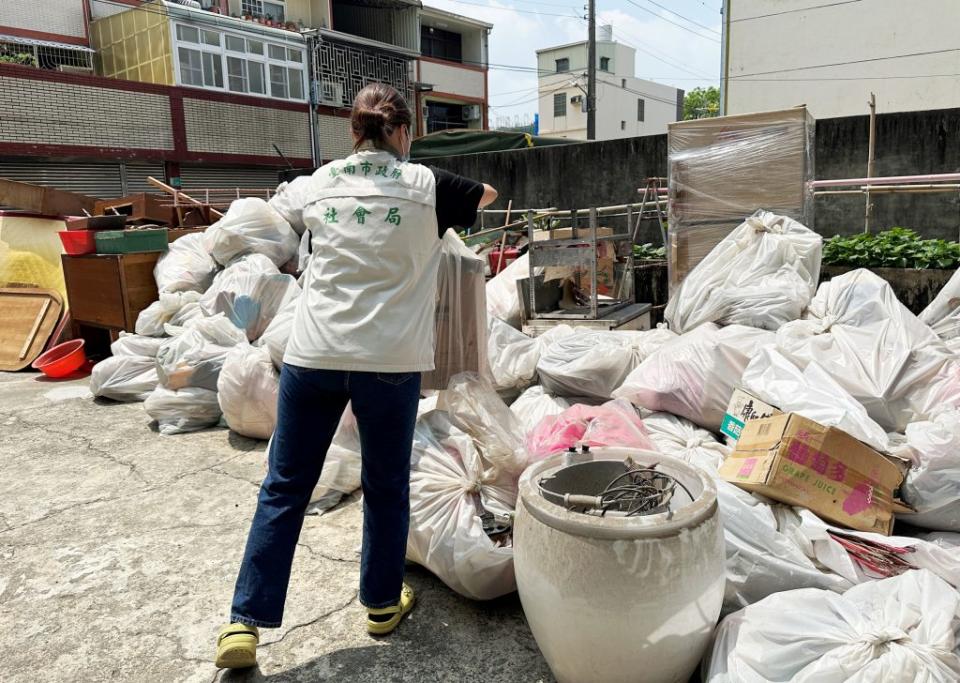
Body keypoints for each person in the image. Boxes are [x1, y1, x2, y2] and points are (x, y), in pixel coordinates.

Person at [214, 83, 497, 669]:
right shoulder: (427, 186)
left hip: (311, 356)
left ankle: (243, 623)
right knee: (386, 485)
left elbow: (280, 217)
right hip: (387, 364)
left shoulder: (320, 182)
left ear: (354, 132)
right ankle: (380, 604)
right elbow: (488, 195)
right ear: (400, 132)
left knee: (285, 485)